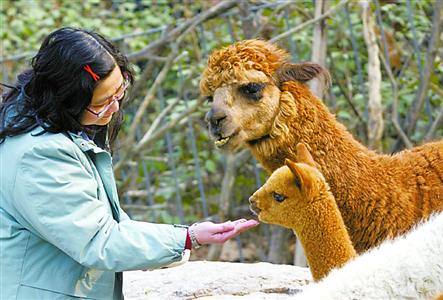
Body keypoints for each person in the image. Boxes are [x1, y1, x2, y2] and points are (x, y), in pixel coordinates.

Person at [0, 27, 259, 300]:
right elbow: (99, 239)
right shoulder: (40, 155)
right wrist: (188, 237)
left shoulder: (43, 124)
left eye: (119, 91)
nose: (114, 109)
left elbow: (103, 222)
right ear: (67, 99)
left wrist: (188, 235)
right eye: (101, 103)